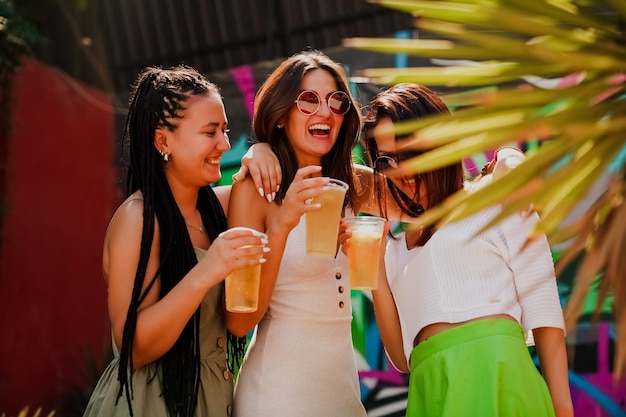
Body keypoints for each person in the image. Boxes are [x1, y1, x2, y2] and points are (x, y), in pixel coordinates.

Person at [359, 83, 574, 416]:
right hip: (432, 391)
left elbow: (543, 307)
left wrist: (562, 408)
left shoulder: (496, 196)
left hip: (501, 378)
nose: (403, 169)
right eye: (388, 160)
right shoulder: (393, 248)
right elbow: (403, 358)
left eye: (411, 150)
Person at [83, 65, 276, 417]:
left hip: (213, 400)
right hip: (148, 405)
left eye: (225, 130)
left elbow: (268, 191)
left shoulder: (217, 208)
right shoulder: (138, 219)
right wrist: (207, 272)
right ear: (163, 141)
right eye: (210, 132)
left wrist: (260, 150)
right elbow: (134, 347)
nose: (224, 144)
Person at [225, 49, 377, 417]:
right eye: (308, 100)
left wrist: (505, 161)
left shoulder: (356, 187)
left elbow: (433, 195)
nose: (324, 111)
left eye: (336, 101)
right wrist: (282, 223)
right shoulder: (255, 191)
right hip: (277, 396)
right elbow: (240, 321)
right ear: (281, 115)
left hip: (343, 394)